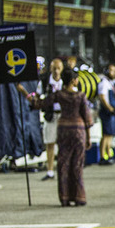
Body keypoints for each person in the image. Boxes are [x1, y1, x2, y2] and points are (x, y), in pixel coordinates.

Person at [33, 68, 93, 205]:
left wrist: (26, 94)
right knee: (77, 164)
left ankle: (65, 197)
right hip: (79, 132)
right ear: (73, 80)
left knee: (63, 164)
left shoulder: (59, 94)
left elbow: (40, 104)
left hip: (64, 131)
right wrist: (88, 138)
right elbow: (87, 118)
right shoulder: (81, 96)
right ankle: (79, 197)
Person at [38, 58, 64, 181]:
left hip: (64, 116)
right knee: (50, 143)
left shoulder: (66, 81)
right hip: (50, 116)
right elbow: (37, 96)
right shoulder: (44, 82)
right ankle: (50, 171)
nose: (57, 71)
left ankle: (63, 170)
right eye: (54, 69)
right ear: (50, 69)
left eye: (59, 68)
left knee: (63, 144)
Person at [97, 63, 115, 165]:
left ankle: (109, 155)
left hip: (111, 112)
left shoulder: (110, 83)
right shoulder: (104, 83)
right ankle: (103, 157)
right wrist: (109, 108)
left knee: (110, 134)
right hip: (106, 112)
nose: (114, 73)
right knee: (106, 134)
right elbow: (102, 96)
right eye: (112, 70)